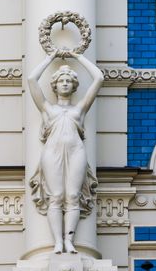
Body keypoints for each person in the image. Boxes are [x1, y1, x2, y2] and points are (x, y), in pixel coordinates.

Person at [28, 51, 103, 254]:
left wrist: (77, 56)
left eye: (69, 80)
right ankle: (58, 243)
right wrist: (50, 57)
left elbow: (99, 78)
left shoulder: (80, 109)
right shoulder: (47, 109)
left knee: (72, 195)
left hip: (76, 152)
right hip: (52, 153)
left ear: (74, 85)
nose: (65, 83)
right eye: (61, 80)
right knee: (57, 196)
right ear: (54, 85)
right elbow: (31, 79)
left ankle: (69, 240)